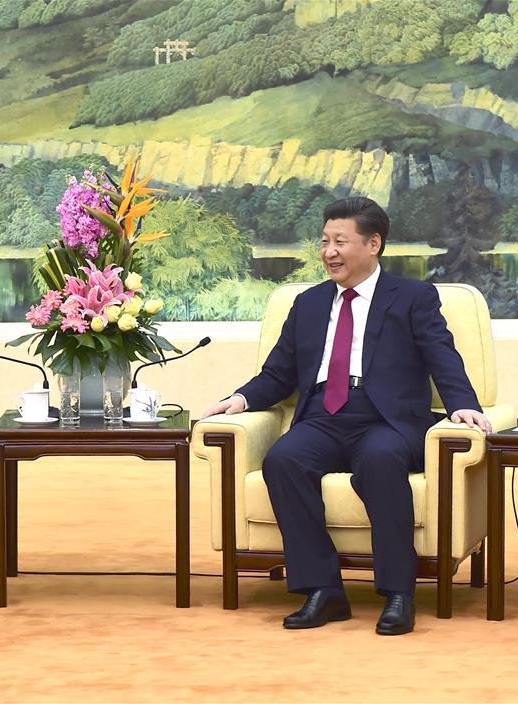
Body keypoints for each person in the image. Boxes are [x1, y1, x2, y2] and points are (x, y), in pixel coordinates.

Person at [202, 197, 491, 636]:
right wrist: (239, 399)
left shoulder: (413, 297)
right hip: (323, 416)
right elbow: (278, 373)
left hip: (386, 420)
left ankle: (399, 593)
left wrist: (463, 404)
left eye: (340, 241)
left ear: (373, 243)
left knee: (378, 460)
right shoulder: (309, 304)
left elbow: (441, 356)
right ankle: (324, 589)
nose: (329, 252)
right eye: (324, 242)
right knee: (284, 460)